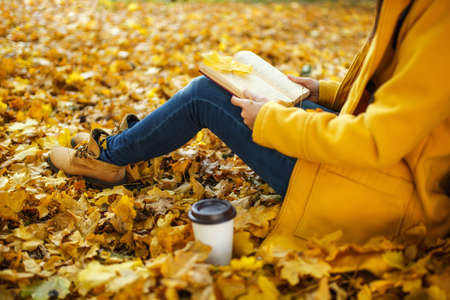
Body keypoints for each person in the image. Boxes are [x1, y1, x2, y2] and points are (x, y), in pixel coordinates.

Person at [49, 0, 450, 249]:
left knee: (206, 94)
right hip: (385, 174)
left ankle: (107, 159)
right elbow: (396, 106)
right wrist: (323, 90)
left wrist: (271, 119)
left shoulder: (440, 19)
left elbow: (374, 141)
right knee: (227, 89)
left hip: (392, 200)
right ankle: (129, 147)